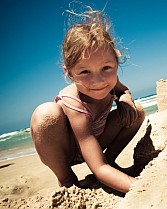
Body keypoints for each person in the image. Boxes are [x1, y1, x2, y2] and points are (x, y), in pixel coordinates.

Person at [30, 7, 145, 193]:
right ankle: (67, 180)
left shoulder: (111, 81)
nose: (98, 81)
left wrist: (124, 99)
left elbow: (124, 91)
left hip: (95, 141)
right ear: (69, 73)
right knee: (45, 114)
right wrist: (143, 188)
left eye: (106, 67)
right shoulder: (75, 104)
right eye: (84, 72)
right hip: (69, 150)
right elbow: (97, 168)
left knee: (136, 110)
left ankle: (111, 161)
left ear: (116, 63)